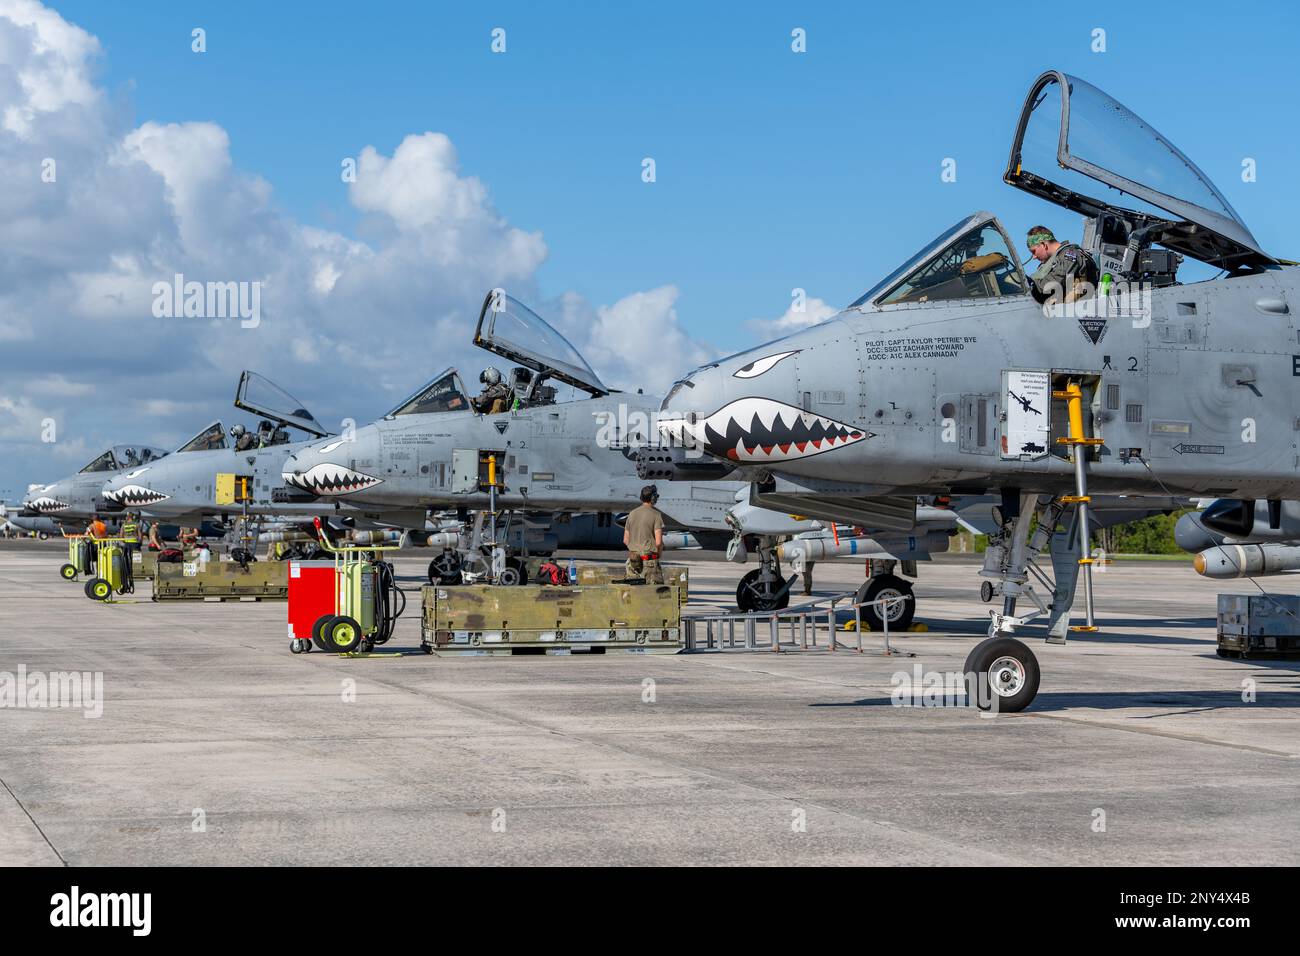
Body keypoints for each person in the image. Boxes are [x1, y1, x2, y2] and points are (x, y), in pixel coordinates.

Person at [1025, 226, 1096, 305]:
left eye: (1034, 251)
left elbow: (1055, 281)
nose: (1034, 257)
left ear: (1044, 244)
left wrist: (1027, 283)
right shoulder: (1049, 263)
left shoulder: (1070, 255)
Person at [623, 485, 665, 584]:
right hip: (649, 560)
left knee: (634, 591)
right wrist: (658, 555)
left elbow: (625, 540)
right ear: (653, 498)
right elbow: (658, 542)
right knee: (654, 592)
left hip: (633, 560)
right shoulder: (656, 515)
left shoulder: (632, 514)